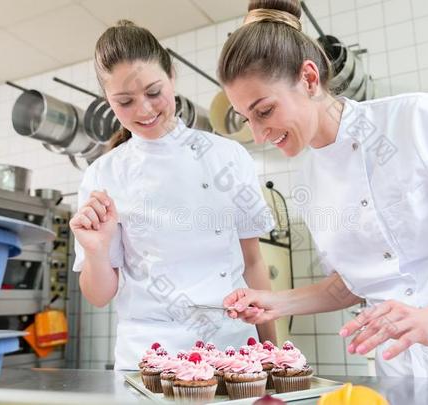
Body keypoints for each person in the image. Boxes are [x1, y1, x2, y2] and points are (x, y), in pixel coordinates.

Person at [217, 0, 428, 379]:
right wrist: (275, 302)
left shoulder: (417, 119)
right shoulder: (306, 180)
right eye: (246, 119)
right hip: (401, 371)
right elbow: (352, 286)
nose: (257, 134)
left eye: (265, 111)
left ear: (308, 79)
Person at [69, 20, 276, 370]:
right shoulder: (103, 175)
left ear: (172, 76)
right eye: (125, 101)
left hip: (232, 349)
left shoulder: (228, 156)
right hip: (149, 356)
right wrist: (96, 251)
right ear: (108, 101)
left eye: (153, 92)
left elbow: (253, 263)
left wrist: (270, 349)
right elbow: (99, 295)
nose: (144, 110)